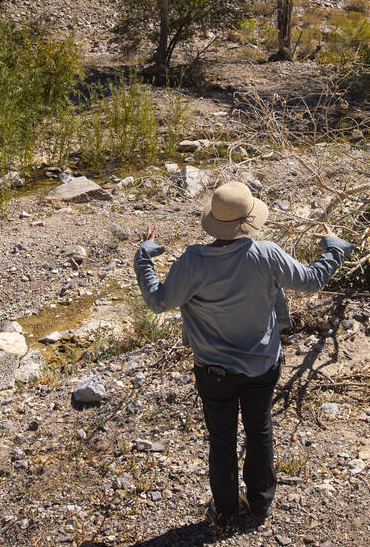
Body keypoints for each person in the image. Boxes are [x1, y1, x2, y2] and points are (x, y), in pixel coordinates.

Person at [133, 180, 352, 532]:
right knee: (259, 429)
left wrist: (144, 257)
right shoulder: (265, 253)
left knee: (221, 440)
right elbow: (312, 281)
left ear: (214, 222)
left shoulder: (193, 261)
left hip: (213, 371)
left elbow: (159, 301)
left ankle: (225, 511)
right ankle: (260, 504)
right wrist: (334, 248)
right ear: (249, 220)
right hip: (262, 365)